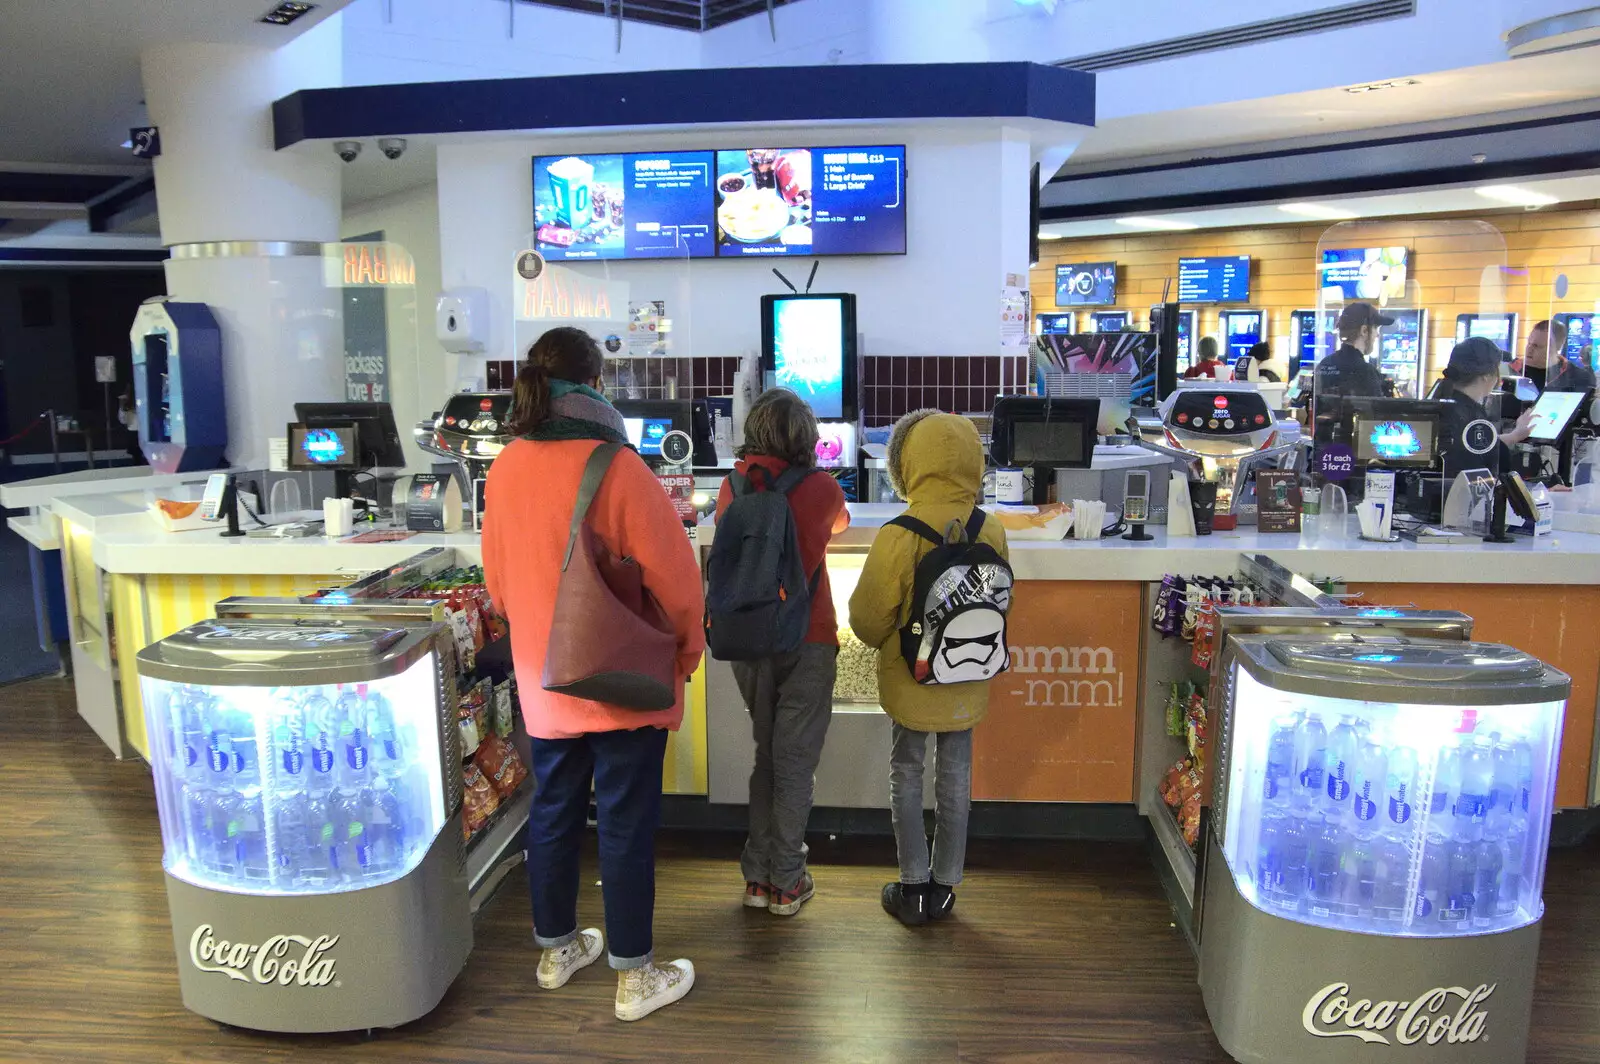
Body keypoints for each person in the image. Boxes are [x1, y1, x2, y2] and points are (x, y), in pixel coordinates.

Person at [481, 326, 704, 1023]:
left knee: (552, 811)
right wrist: (686, 654)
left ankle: (556, 950)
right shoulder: (617, 466)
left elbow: (496, 585)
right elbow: (678, 583)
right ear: (596, 385)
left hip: (542, 678)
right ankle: (634, 978)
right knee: (626, 822)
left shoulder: (506, 466)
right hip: (620, 680)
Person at [848, 410, 1010, 926]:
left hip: (911, 679)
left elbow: (868, 621)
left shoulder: (899, 534)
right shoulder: (993, 529)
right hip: (970, 675)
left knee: (907, 772)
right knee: (957, 777)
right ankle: (946, 887)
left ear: (906, 463)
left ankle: (913, 886)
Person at [714, 389, 849, 917]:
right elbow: (840, 526)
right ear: (806, 437)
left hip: (748, 640)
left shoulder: (731, 487)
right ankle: (788, 882)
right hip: (807, 637)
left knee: (767, 755)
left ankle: (757, 878)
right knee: (794, 763)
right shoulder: (821, 487)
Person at [1435, 336, 1536, 474]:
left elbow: (1476, 444)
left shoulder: (1444, 401)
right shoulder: (1471, 415)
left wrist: (1514, 435)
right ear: (1487, 376)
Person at [1314, 302, 1392, 400]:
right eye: (1375, 328)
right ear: (1364, 331)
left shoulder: (1324, 364)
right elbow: (1376, 413)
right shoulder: (1366, 372)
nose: (1377, 335)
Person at [1521, 319, 1594, 394]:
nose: (1529, 349)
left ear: (1557, 347)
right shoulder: (1512, 370)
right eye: (1528, 343)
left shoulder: (1579, 377)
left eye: (1536, 346)